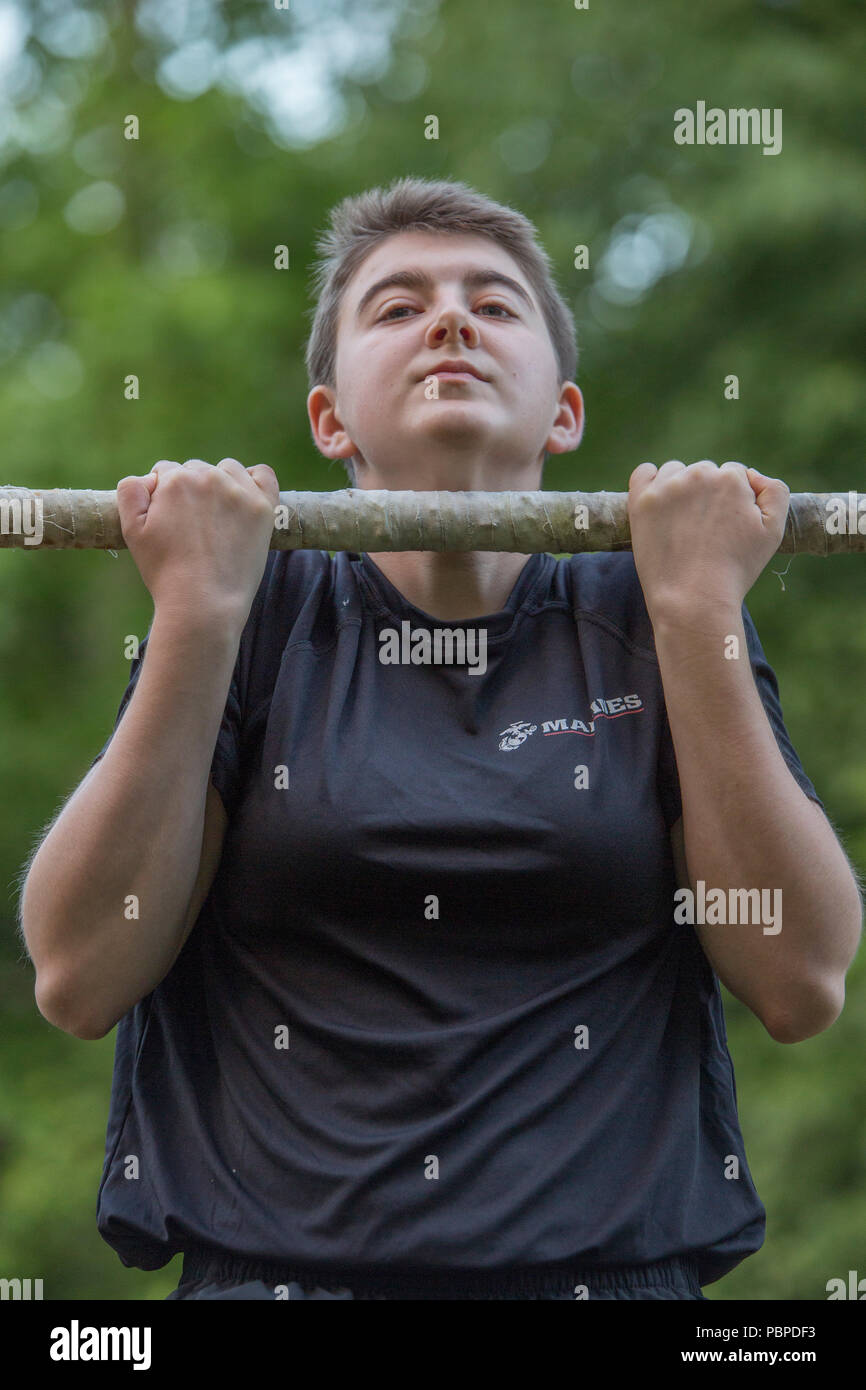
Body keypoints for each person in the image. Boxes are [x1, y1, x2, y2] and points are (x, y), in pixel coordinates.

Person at [19, 176, 862, 1301]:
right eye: (396, 305)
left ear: (564, 412)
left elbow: (799, 979)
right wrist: (193, 615)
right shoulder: (246, 611)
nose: (451, 320)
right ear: (330, 421)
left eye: (494, 304)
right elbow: (77, 974)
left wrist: (701, 613)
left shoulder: (652, 610)